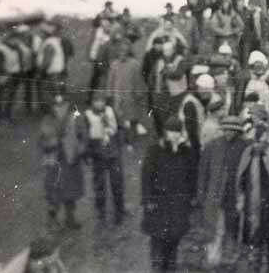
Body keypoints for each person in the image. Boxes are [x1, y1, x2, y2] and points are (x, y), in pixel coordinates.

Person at [235, 112, 269, 273]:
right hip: (251, 207)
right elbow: (240, 180)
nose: (257, 145)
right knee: (254, 240)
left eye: (260, 141)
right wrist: (240, 199)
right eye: (255, 141)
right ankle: (256, 265)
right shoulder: (248, 154)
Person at [141, 116, 195, 273]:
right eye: (171, 132)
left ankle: (171, 268)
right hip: (158, 204)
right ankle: (157, 269)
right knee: (158, 242)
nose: (175, 135)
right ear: (165, 132)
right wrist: (148, 200)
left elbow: (191, 176)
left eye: (177, 131)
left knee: (174, 240)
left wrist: (190, 199)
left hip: (178, 205)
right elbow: (146, 178)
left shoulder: (186, 151)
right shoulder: (154, 150)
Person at [196, 115, 251, 269]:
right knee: (214, 228)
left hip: (234, 197)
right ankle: (213, 259)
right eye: (226, 130)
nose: (229, 133)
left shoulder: (245, 147)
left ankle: (230, 258)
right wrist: (201, 195)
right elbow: (203, 173)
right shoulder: (212, 147)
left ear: (238, 131)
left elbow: (248, 176)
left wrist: (244, 197)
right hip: (214, 197)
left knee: (232, 229)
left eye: (233, 130)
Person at [39, 89, 87, 231]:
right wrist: (51, 142)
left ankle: (70, 217)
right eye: (56, 103)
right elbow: (42, 138)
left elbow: (83, 133)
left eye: (63, 103)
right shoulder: (47, 118)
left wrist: (81, 148)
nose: (60, 107)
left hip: (71, 158)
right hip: (54, 160)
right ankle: (52, 219)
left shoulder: (75, 116)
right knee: (54, 191)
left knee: (71, 189)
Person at [83, 92, 127, 224]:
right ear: (92, 103)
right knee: (99, 184)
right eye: (96, 101)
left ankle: (119, 210)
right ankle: (101, 211)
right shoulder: (87, 116)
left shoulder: (111, 111)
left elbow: (120, 127)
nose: (99, 103)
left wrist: (119, 141)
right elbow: (85, 136)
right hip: (98, 155)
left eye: (102, 101)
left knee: (117, 183)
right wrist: (87, 153)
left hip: (113, 153)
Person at [107, 39, 147, 139]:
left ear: (129, 52)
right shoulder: (114, 64)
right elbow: (110, 80)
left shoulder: (134, 64)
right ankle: (121, 136)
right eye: (120, 51)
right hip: (118, 96)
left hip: (131, 95)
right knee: (119, 116)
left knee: (133, 116)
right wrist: (109, 93)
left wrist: (139, 93)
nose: (122, 54)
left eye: (125, 51)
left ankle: (132, 136)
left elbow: (138, 80)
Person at [37, 20, 71, 111]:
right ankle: (58, 109)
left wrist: (41, 71)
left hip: (51, 72)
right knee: (57, 91)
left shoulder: (49, 43)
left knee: (51, 92)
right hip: (57, 71)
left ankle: (53, 111)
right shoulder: (56, 41)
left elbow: (47, 60)